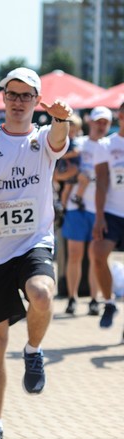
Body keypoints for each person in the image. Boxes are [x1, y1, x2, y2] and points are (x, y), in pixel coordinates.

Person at [0, 67, 71, 439]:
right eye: (13, 94)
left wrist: (61, 118)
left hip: (33, 242)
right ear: (3, 98)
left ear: (36, 101)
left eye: (27, 95)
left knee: (42, 293)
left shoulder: (44, 138)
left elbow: (59, 138)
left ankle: (33, 350)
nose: (19, 101)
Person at [61, 108, 110, 316]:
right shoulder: (78, 145)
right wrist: (76, 174)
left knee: (96, 256)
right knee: (74, 255)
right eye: (98, 121)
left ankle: (93, 300)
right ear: (90, 122)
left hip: (101, 209)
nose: (101, 126)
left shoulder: (111, 146)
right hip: (76, 206)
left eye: (105, 123)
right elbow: (59, 174)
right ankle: (72, 298)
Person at [91, 102, 124, 332]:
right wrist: (99, 216)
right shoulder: (106, 145)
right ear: (120, 116)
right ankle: (109, 303)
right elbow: (101, 182)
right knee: (99, 253)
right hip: (112, 212)